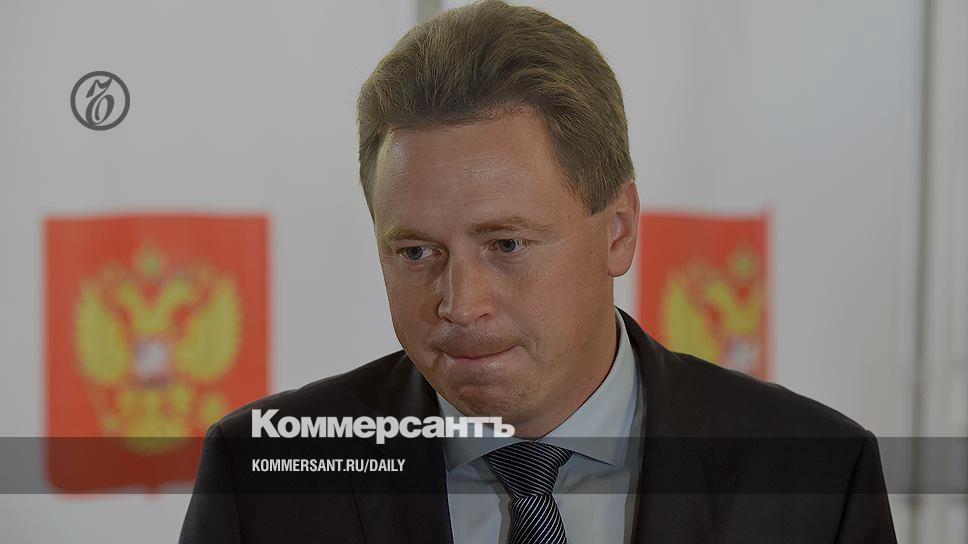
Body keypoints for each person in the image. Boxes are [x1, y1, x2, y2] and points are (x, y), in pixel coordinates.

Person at [179, 1, 896, 542]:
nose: (460, 304)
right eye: (416, 252)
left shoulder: (817, 477)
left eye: (506, 244)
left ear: (618, 231)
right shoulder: (259, 476)